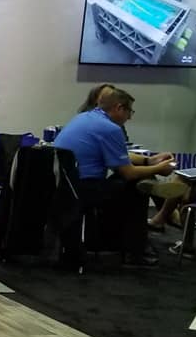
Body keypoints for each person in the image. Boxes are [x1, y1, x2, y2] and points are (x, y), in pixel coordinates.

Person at [53, 88, 173, 267]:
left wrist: (149, 161)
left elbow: (118, 156)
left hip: (66, 186)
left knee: (132, 180)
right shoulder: (110, 129)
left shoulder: (84, 118)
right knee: (137, 185)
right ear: (119, 108)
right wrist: (159, 169)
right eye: (129, 111)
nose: (129, 117)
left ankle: (128, 239)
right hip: (84, 189)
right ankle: (136, 251)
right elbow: (128, 172)